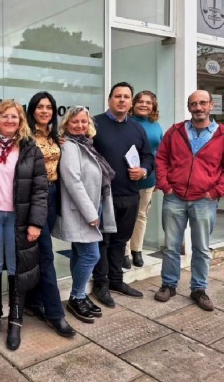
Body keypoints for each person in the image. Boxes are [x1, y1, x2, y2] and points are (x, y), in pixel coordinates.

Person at [153, 90, 224, 312]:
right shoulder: (175, 132)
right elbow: (161, 159)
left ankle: (199, 289)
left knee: (201, 248)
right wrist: (165, 185)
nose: (198, 107)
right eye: (193, 104)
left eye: (202, 103)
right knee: (171, 246)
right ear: (189, 107)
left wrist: (216, 191)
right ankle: (168, 285)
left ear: (211, 105)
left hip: (204, 200)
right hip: (175, 198)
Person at [0, 100, 47, 351]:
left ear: (20, 121)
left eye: (14, 117)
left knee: (17, 267)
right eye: (4, 116)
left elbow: (39, 189)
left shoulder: (30, 148)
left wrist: (36, 222)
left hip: (19, 218)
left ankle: (15, 320)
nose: (9, 121)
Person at [90, 82, 155, 309]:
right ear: (109, 100)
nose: (122, 100)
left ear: (131, 101)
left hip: (130, 194)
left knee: (120, 241)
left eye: (126, 97)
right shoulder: (95, 124)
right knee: (103, 242)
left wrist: (144, 170)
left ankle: (117, 281)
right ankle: (101, 284)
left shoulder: (137, 129)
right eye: (118, 96)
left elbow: (148, 156)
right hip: (103, 196)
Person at [53, 106, 117, 323]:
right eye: (75, 122)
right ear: (66, 124)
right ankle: (77, 296)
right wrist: (91, 213)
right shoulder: (70, 147)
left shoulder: (86, 145)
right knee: (91, 255)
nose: (80, 125)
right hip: (82, 211)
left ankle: (78, 295)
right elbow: (73, 182)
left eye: (84, 121)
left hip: (91, 207)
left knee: (80, 253)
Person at [23, 92, 76, 338]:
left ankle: (33, 300)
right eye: (40, 107)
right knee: (46, 255)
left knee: (39, 251)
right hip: (35, 197)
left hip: (53, 195)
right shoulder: (24, 136)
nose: (44, 111)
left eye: (49, 107)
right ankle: (56, 314)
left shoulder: (55, 137)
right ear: (32, 110)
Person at [124, 90, 164, 268]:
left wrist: (158, 178)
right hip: (127, 178)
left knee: (141, 215)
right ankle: (123, 252)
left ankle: (136, 250)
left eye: (148, 102)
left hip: (148, 178)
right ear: (133, 104)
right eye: (140, 101)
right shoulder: (126, 123)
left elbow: (161, 154)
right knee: (125, 216)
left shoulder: (156, 126)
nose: (144, 105)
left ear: (153, 106)